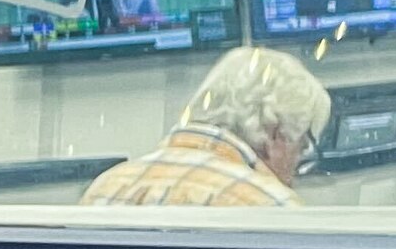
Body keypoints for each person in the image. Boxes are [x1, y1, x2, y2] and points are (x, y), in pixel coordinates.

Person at [81, 46, 330, 208]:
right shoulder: (273, 207)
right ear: (274, 133)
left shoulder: (106, 188)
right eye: (302, 145)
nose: (297, 167)